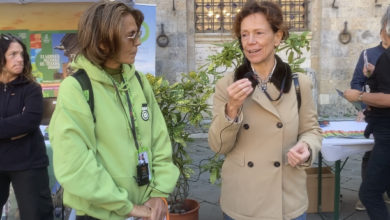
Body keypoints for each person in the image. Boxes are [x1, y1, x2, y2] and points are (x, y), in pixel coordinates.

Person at [49, 2, 179, 220]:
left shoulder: (138, 81)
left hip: (146, 210)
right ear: (103, 42)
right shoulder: (76, 88)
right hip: (101, 214)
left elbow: (159, 140)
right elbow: (74, 164)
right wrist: (125, 207)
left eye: (137, 34)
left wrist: (158, 193)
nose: (138, 42)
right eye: (130, 36)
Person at [207, 1, 323, 220]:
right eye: (244, 35)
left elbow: (312, 130)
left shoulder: (300, 84)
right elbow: (218, 146)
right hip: (243, 202)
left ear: (277, 37)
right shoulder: (227, 85)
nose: (250, 42)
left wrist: (307, 147)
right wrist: (232, 108)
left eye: (259, 33)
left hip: (287, 201)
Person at [0, 33, 53, 219]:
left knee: (36, 214)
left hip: (29, 163)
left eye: (21, 54)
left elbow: (28, 122)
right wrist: (13, 130)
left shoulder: (32, 89)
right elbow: (19, 124)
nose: (20, 59)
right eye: (13, 54)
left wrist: (17, 126)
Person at [344, 7, 390, 219]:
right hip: (375, 121)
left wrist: (361, 97)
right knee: (370, 160)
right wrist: (364, 109)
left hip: (386, 127)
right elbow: (360, 82)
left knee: (370, 192)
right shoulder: (368, 54)